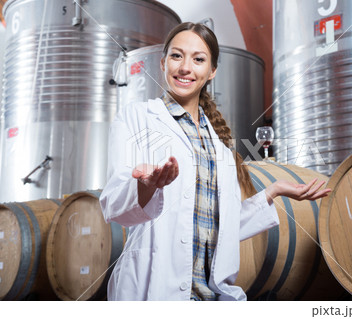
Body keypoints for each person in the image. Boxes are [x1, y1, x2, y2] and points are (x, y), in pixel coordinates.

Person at [99, 22, 331, 301]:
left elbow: (219, 227)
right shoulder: (135, 117)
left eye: (198, 59)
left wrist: (272, 191)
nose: (185, 67)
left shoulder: (220, 147)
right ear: (162, 63)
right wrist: (146, 186)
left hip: (211, 297)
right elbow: (112, 204)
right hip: (152, 292)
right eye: (176, 56)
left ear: (212, 72)